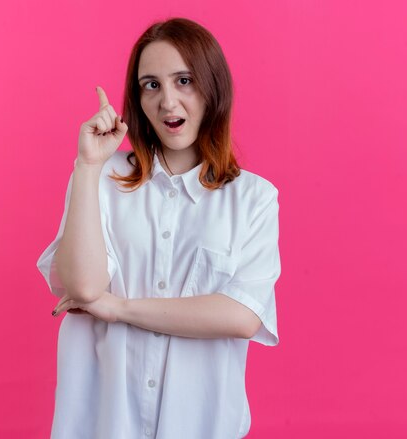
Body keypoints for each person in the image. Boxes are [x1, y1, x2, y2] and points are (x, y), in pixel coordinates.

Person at [37, 17, 281, 439]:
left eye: (183, 80)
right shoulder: (101, 177)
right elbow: (83, 285)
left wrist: (120, 308)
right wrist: (88, 166)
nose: (168, 101)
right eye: (151, 85)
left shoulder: (254, 198)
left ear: (212, 86)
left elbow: (242, 314)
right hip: (101, 423)